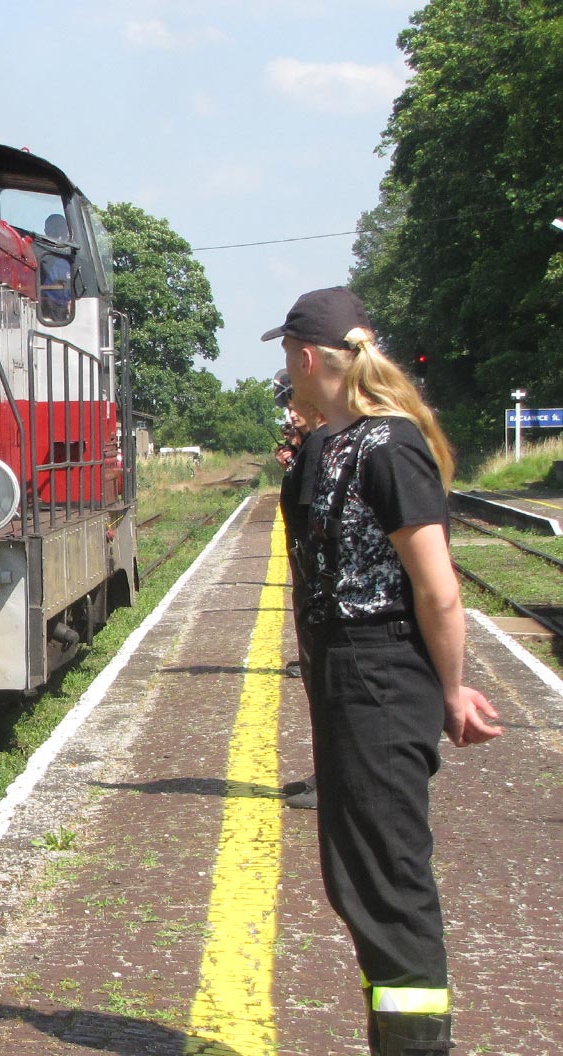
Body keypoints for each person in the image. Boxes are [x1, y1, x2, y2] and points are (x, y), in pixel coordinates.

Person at [262, 286, 502, 1056]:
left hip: (381, 673)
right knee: (356, 873)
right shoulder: (333, 445)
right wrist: (297, 465)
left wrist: (452, 688)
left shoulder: (389, 446)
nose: (284, 373)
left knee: (389, 879)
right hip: (343, 675)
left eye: (285, 358)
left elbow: (437, 588)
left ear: (307, 357)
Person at [274, 369, 327, 808]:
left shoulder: (321, 447)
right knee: (318, 682)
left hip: (317, 586)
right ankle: (325, 773)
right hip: (311, 582)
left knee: (326, 683)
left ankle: (334, 780)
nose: (289, 414)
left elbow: (314, 521)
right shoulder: (312, 446)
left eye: (295, 405)